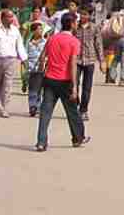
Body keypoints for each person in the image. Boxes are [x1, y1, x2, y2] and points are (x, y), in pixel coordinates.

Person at [34, 12, 88, 152]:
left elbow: (42, 58)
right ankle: (78, 138)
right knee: (72, 112)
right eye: (76, 22)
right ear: (71, 24)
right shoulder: (74, 42)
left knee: (45, 113)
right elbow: (72, 65)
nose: (77, 25)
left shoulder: (52, 38)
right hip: (65, 81)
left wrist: (42, 72)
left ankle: (41, 142)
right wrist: (75, 86)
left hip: (50, 79)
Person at [0, 9, 28, 118]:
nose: (11, 19)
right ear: (2, 18)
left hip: (10, 60)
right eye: (9, 17)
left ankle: (4, 108)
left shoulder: (15, 31)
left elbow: (20, 45)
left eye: (12, 17)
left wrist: (24, 59)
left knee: (7, 85)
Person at [74, 10, 103, 120]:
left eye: (85, 14)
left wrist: (102, 61)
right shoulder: (75, 26)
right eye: (81, 14)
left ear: (90, 15)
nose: (83, 16)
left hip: (90, 60)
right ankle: (76, 104)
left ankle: (83, 110)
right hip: (76, 60)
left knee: (87, 87)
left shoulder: (94, 28)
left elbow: (98, 44)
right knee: (74, 85)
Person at [24, 22, 48, 117]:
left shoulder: (45, 42)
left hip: (43, 68)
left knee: (41, 89)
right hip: (32, 68)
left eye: (41, 29)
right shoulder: (28, 43)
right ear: (33, 31)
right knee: (33, 88)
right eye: (38, 29)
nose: (40, 31)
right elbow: (24, 54)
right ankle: (32, 106)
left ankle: (38, 106)